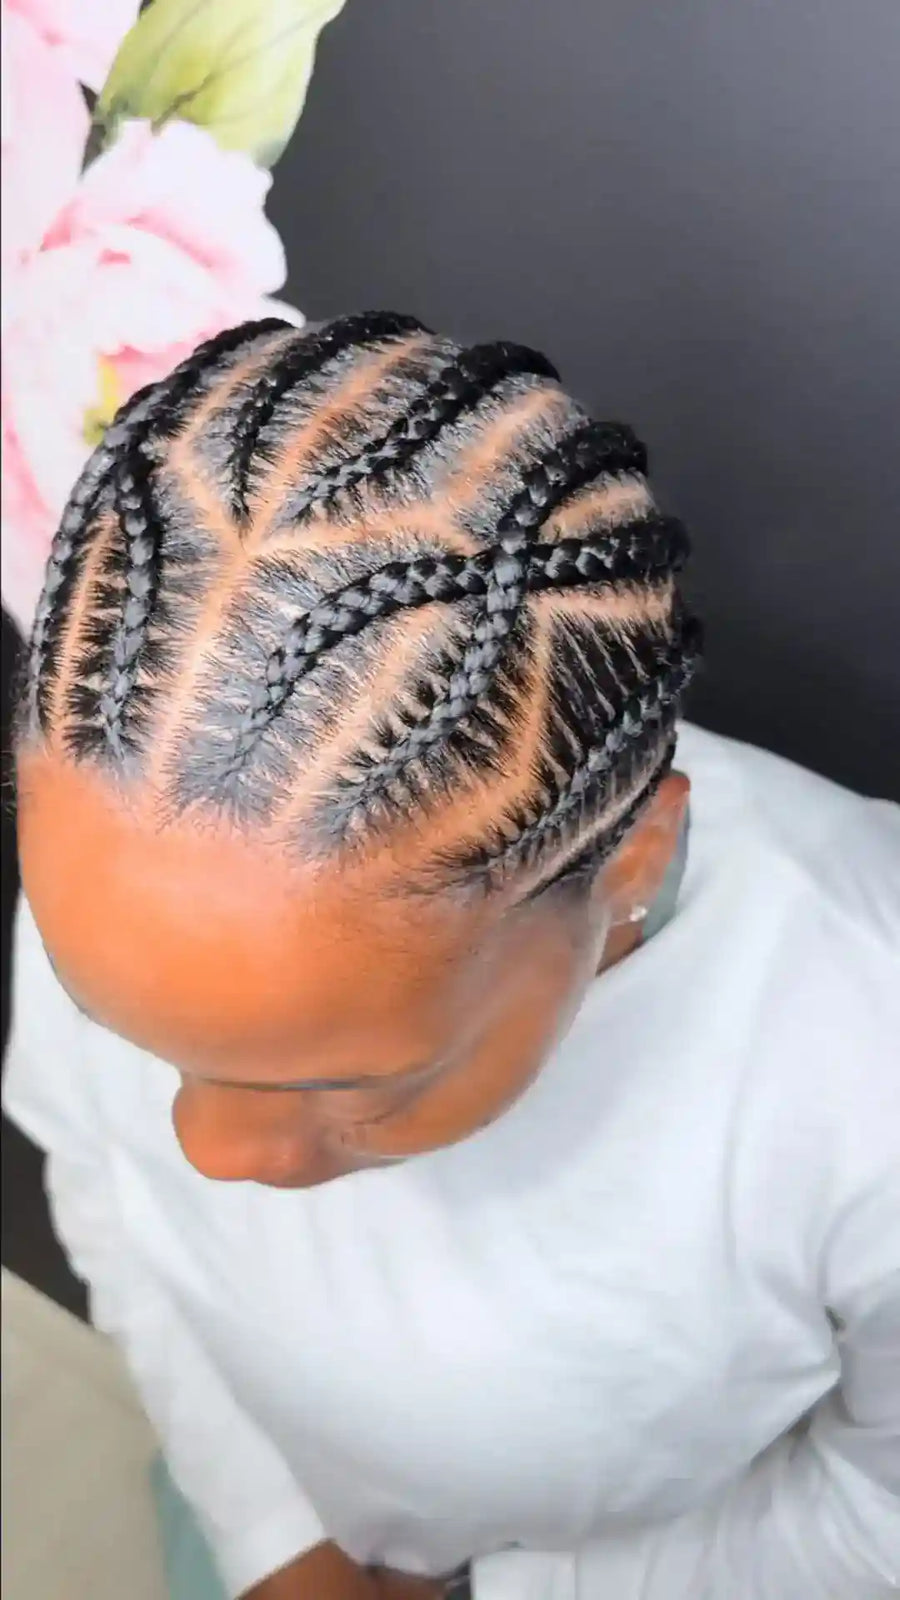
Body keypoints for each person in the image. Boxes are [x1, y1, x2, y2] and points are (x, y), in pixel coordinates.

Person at [4, 312, 899, 1600]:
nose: (210, 1153)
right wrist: (273, 1543)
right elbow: (110, 1194)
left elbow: (879, 1509)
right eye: (124, 1032)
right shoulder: (128, 843)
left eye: (358, 1086)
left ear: (635, 857)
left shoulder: (865, 1041)